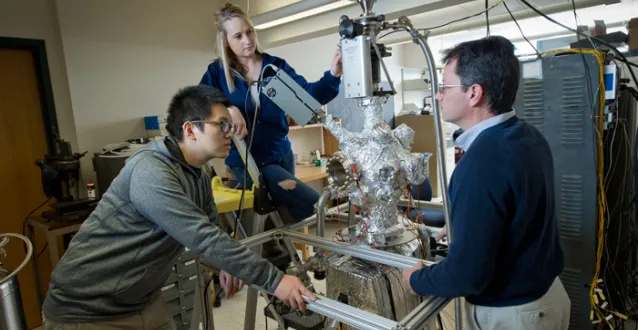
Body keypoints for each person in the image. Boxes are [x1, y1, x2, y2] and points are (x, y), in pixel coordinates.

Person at [42, 85, 315, 330]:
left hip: (142, 301)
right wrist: (276, 281)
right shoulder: (151, 171)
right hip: (87, 310)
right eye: (221, 124)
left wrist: (224, 264)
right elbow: (201, 236)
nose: (229, 132)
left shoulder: (198, 171)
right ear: (189, 129)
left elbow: (211, 227)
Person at [402, 36, 570, 330]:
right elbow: (518, 212)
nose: (438, 96)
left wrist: (416, 280)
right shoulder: (526, 135)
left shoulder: (481, 163)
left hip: (513, 314)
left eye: (444, 87)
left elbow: (467, 275)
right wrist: (465, 224)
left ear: (474, 93)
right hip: (547, 297)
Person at [199, 3, 342, 224]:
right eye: (238, 36)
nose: (247, 40)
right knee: (311, 206)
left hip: (280, 155)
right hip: (246, 162)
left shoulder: (274, 68)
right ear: (226, 41)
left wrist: (333, 75)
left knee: (286, 222)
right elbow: (200, 105)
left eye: (250, 32)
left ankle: (286, 257)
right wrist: (228, 109)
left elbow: (307, 101)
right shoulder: (218, 73)